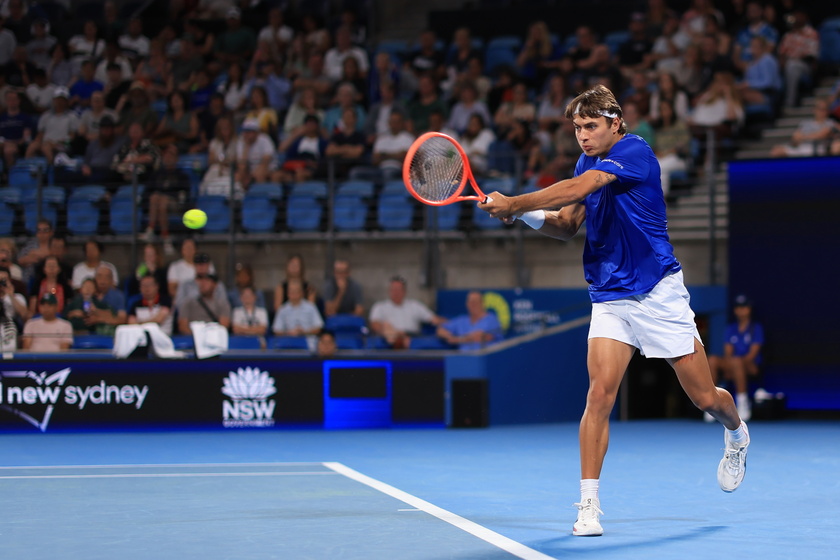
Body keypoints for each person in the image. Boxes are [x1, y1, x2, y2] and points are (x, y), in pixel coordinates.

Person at [478, 84, 749, 536]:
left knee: (705, 398)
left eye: (591, 126)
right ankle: (588, 505)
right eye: (577, 128)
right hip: (610, 296)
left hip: (658, 291)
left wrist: (517, 201)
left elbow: (584, 186)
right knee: (599, 396)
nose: (583, 136)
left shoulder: (636, 152)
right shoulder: (587, 161)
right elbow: (566, 224)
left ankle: (737, 432)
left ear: (615, 123)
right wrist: (522, 215)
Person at [707, 295, 764, 422]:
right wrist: (730, 366)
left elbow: (752, 354)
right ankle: (711, 404)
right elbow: (728, 352)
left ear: (749, 309)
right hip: (734, 364)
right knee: (713, 360)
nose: (741, 310)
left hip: (751, 366)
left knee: (737, 362)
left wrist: (734, 365)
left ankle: (742, 404)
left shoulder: (756, 328)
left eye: (744, 307)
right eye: (738, 307)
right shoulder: (730, 329)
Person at [369, 275, 444, 349]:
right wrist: (394, 333)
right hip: (388, 337)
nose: (396, 292)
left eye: (398, 289)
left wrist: (452, 325)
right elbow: (375, 324)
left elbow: (434, 319)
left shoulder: (415, 305)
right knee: (386, 327)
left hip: (411, 337)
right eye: (394, 289)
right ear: (389, 291)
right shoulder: (380, 306)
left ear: (404, 291)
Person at [436, 290, 503, 351]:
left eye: (475, 302)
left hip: (484, 358)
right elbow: (441, 329)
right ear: (467, 304)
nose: (473, 305)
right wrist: (448, 336)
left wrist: (456, 339)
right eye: (470, 302)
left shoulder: (491, 319)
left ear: (482, 303)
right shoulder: (461, 320)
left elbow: (483, 337)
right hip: (464, 358)